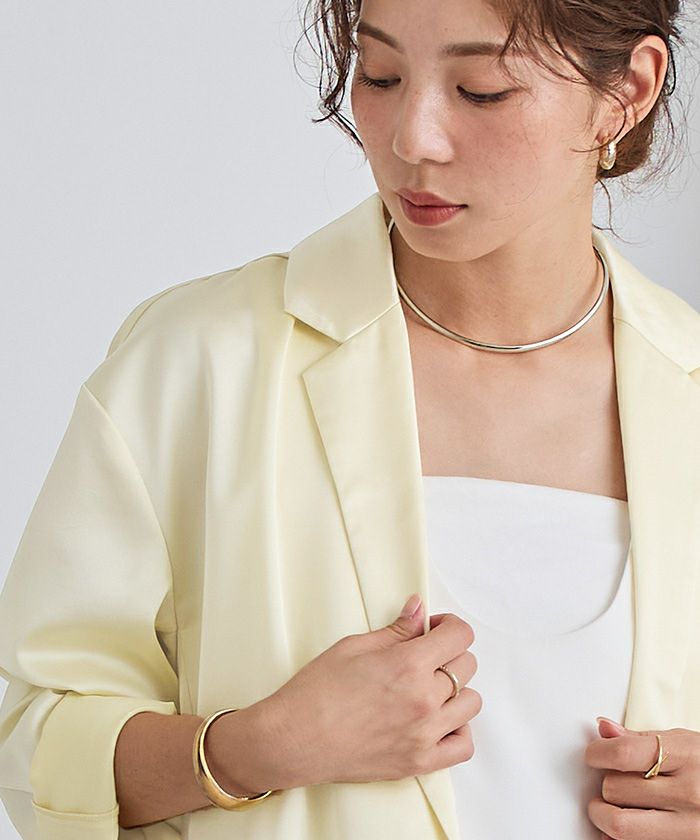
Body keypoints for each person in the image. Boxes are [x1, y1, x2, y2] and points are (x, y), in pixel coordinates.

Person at [1, 0, 699, 838]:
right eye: (381, 76)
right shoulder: (199, 361)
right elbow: (30, 742)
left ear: (627, 91)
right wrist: (257, 748)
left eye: (481, 90)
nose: (413, 139)